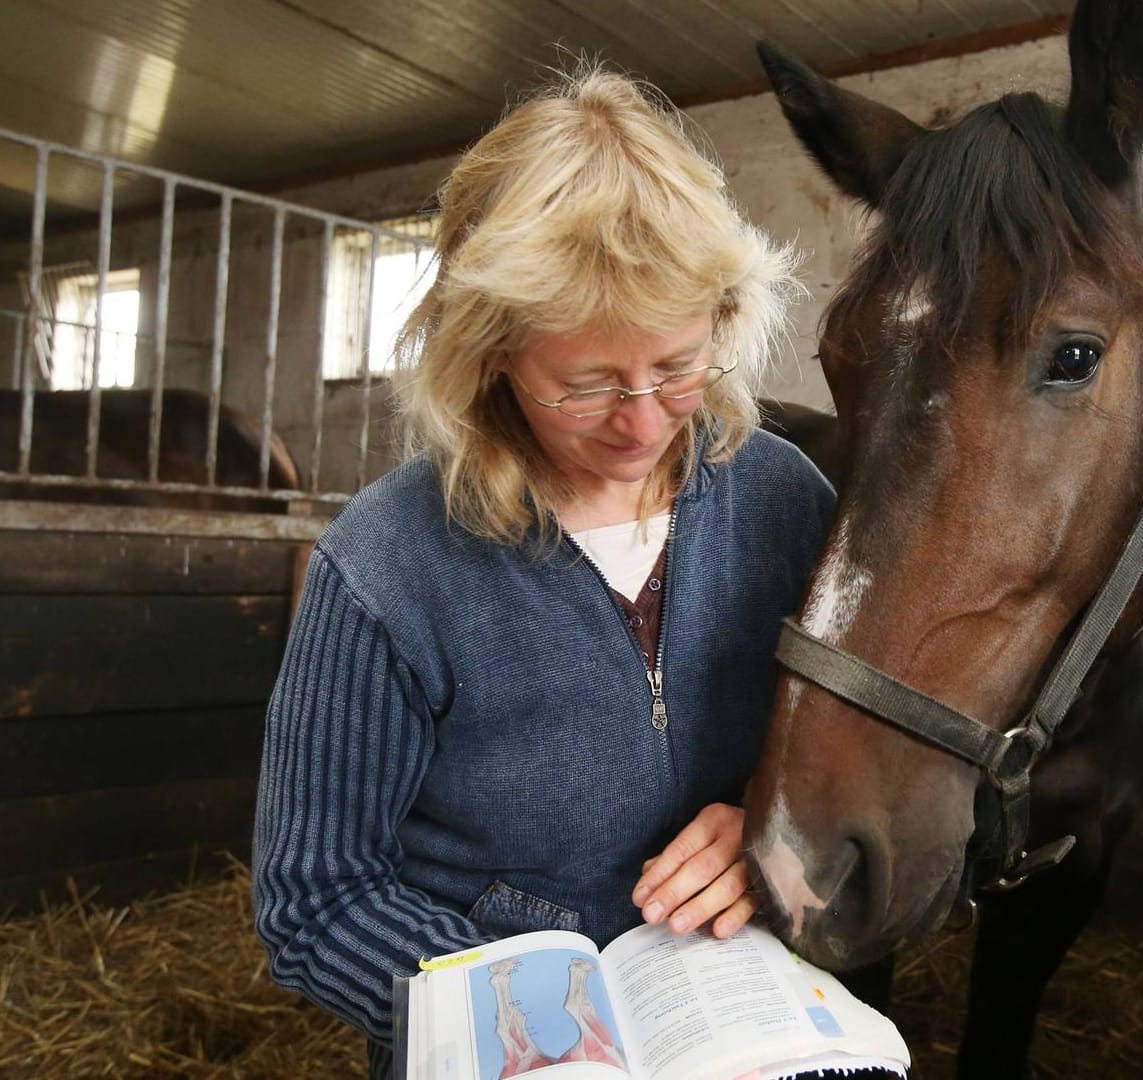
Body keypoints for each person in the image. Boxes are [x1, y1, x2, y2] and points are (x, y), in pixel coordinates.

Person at [251, 64, 835, 1078]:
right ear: (490, 354)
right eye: (588, 386)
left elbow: (858, 765)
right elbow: (314, 896)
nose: (645, 423)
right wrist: (537, 1024)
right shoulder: (387, 563)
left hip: (747, 1028)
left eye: (678, 367)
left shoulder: (785, 502)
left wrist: (778, 829)